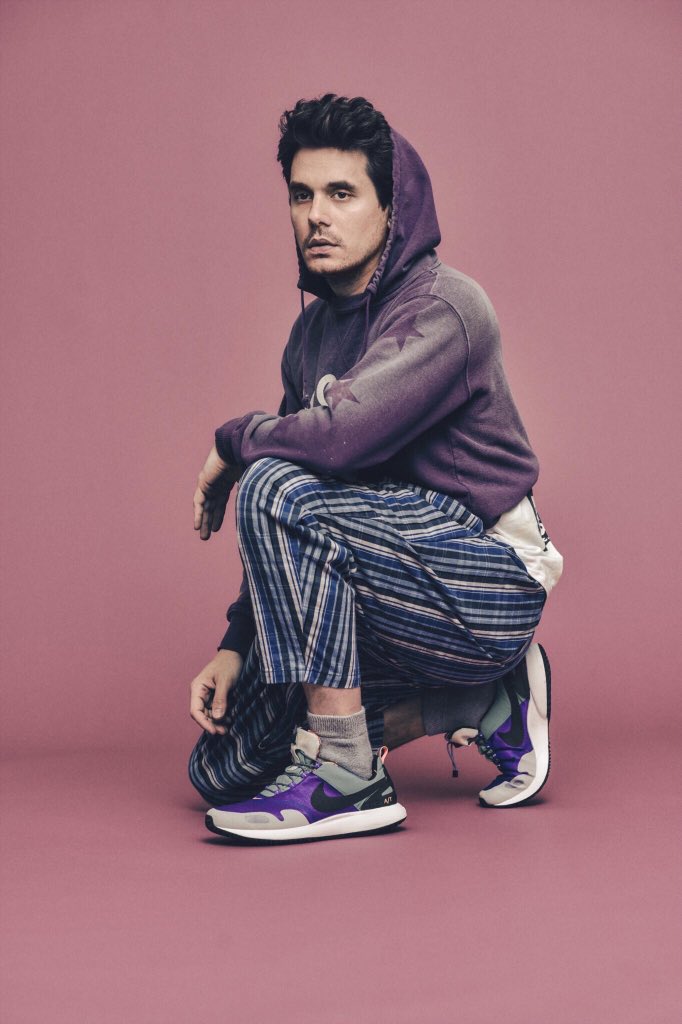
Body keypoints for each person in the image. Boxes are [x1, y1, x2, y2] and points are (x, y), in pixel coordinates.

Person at [187, 94, 563, 844]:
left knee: (271, 483)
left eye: (341, 193)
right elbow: (298, 493)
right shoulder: (308, 337)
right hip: (380, 577)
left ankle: (349, 776)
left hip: (486, 578)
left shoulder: (444, 307)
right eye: (302, 196)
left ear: (392, 208)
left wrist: (233, 442)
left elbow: (337, 443)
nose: (316, 216)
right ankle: (477, 702)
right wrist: (236, 642)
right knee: (223, 767)